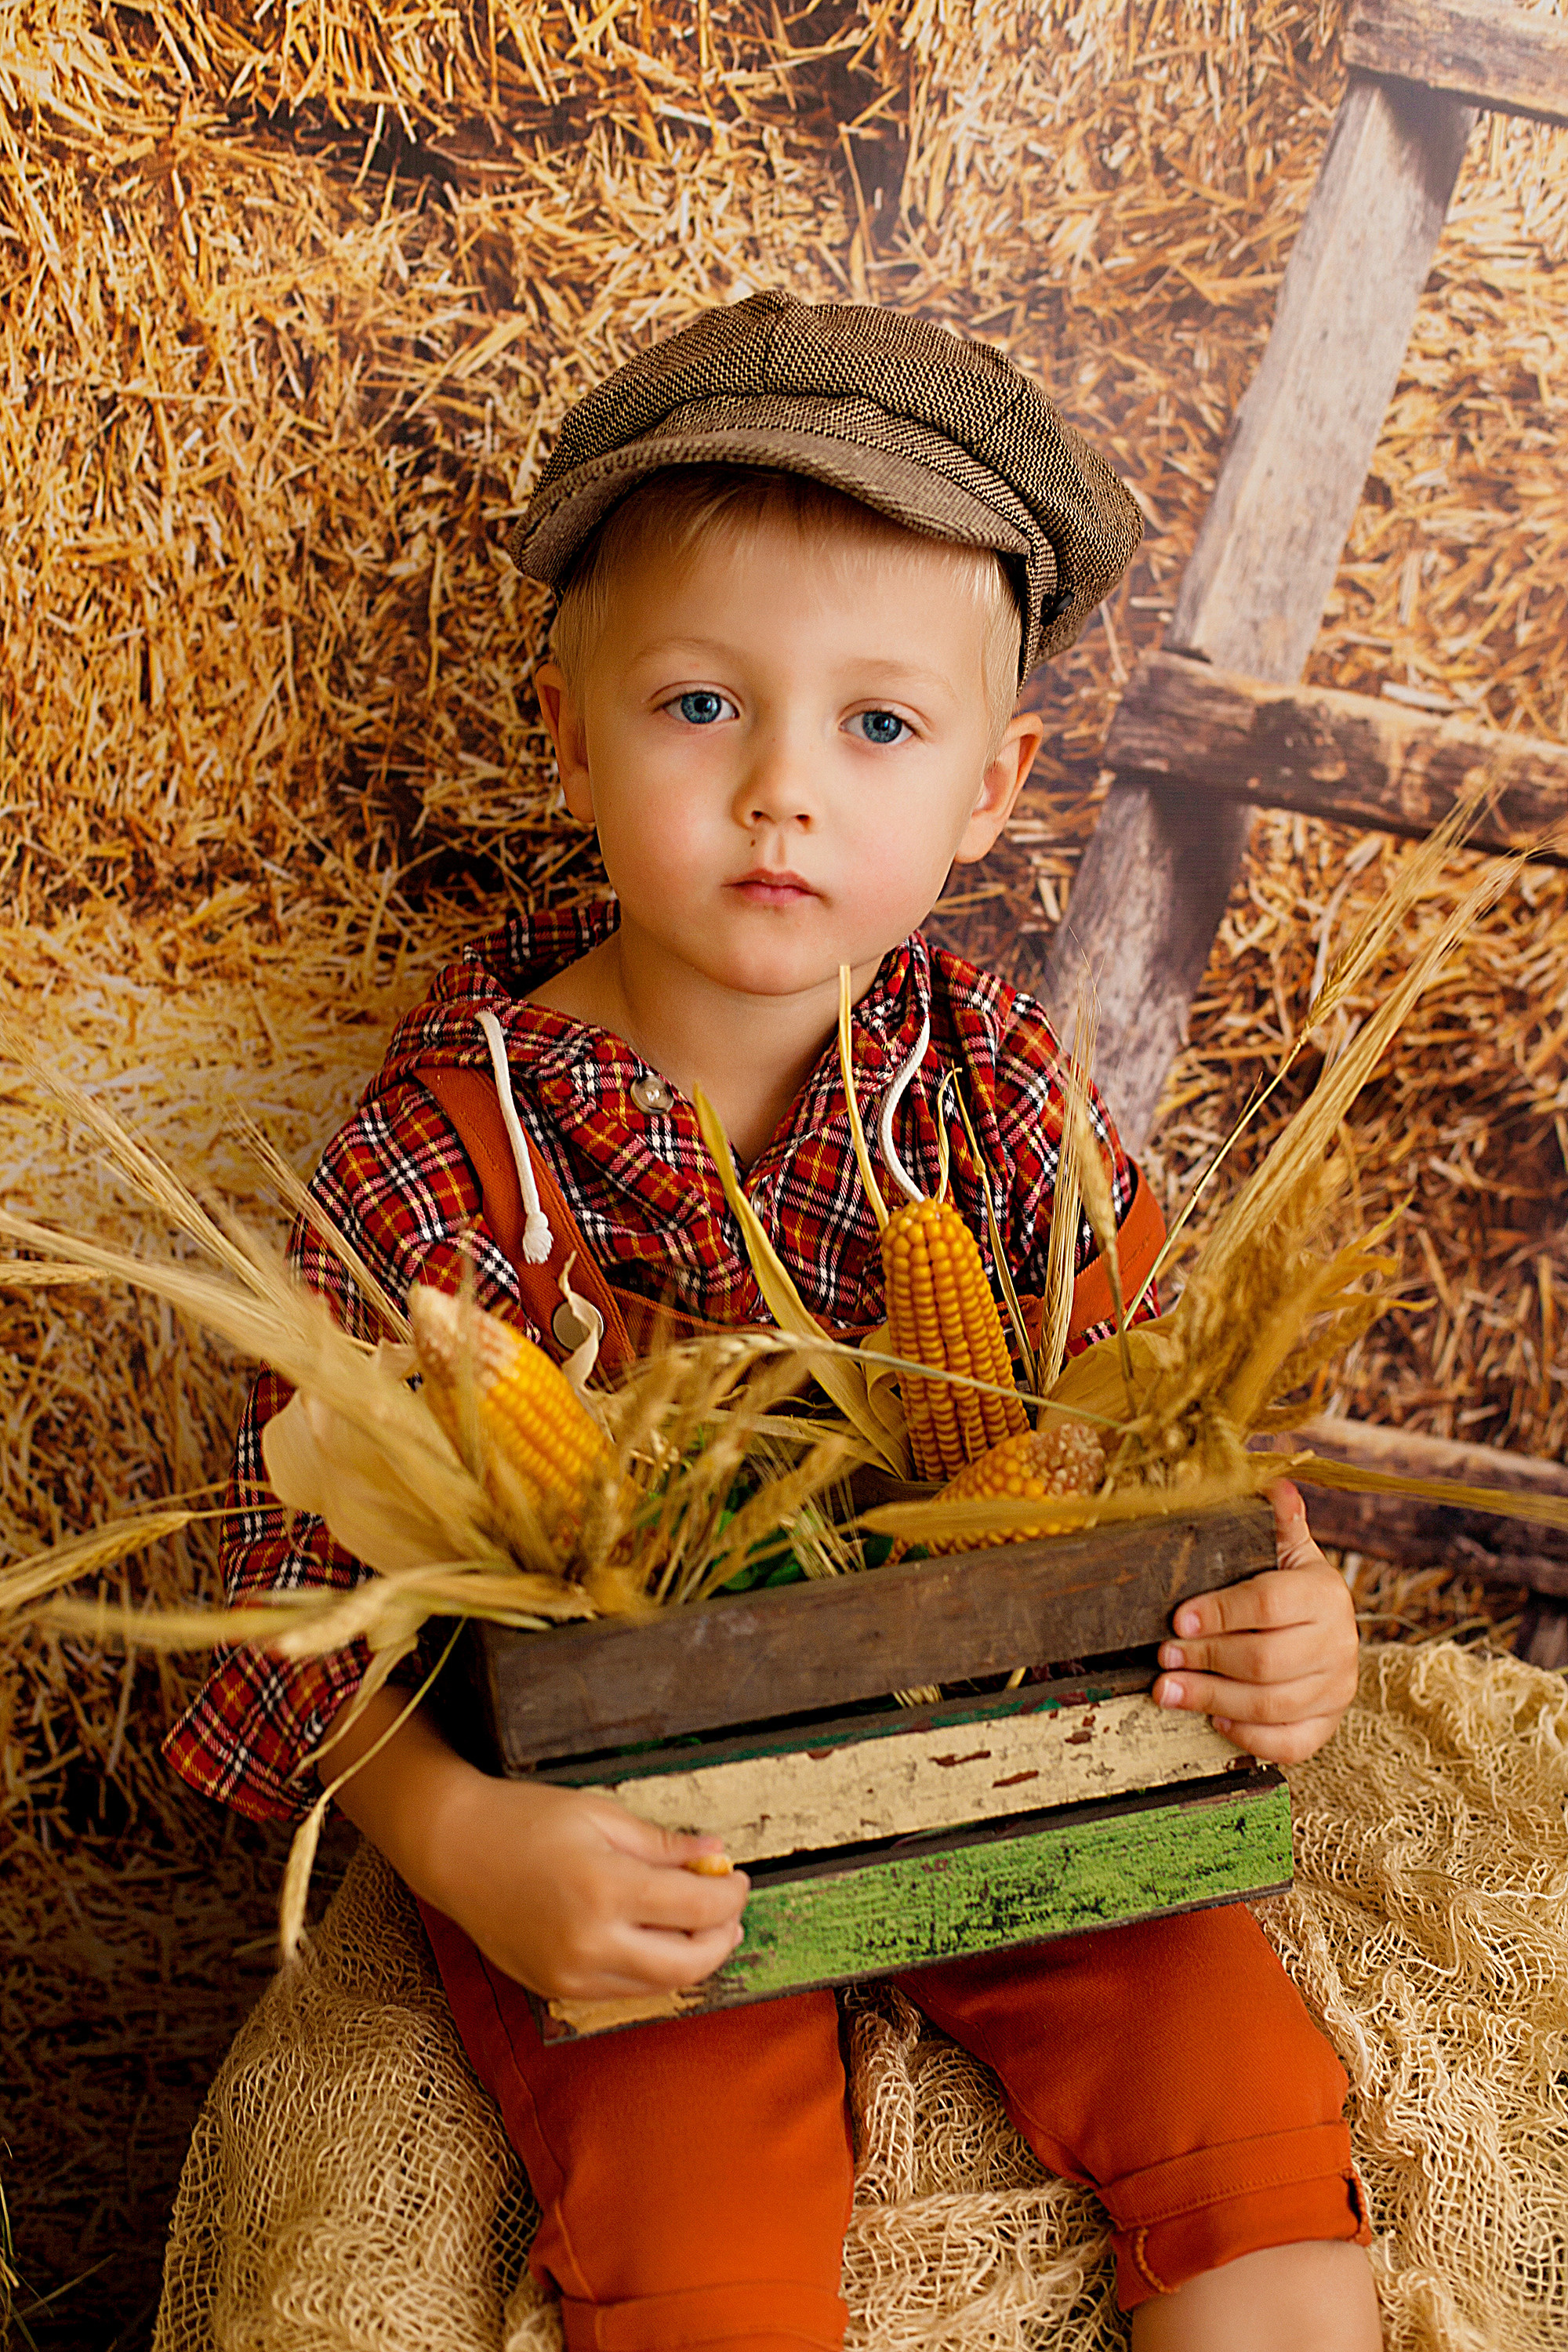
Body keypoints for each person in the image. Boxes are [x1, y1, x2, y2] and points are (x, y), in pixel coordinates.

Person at [167, 292, 1376, 2351]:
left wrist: (1285, 1610)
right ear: (569, 731)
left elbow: (1171, 1441)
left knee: (1247, 2095)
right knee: (698, 2225)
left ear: (992, 789)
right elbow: (298, 1594)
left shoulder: (1005, 1108)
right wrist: (471, 1842)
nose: (782, 797)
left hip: (995, 1764)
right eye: (704, 708)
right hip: (638, 1843)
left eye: (877, 727)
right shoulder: (451, 1153)